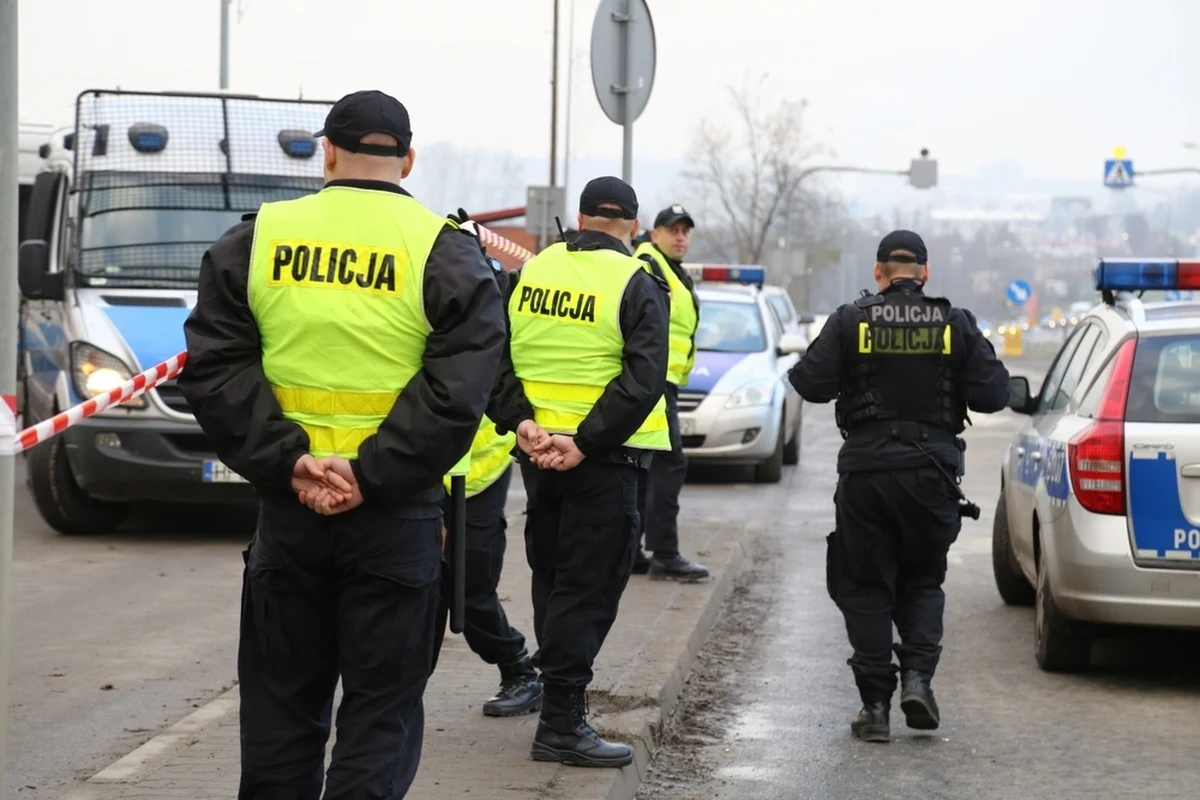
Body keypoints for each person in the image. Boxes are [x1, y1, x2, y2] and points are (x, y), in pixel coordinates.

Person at [177, 89, 506, 799]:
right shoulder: (445, 252)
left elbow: (214, 369)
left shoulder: (255, 238)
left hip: (290, 515)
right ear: (409, 158)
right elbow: (460, 394)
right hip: (396, 521)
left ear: (325, 151)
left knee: (280, 714)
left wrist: (289, 460)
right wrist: (370, 474)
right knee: (380, 716)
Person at [787, 230, 1009, 744]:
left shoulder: (850, 320)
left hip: (865, 473)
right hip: (931, 474)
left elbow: (807, 383)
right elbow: (994, 395)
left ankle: (874, 707)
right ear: (925, 273)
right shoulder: (954, 322)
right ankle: (918, 681)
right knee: (922, 581)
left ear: (879, 272)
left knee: (865, 588)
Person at [487, 175, 671, 768]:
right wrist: (585, 443)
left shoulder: (532, 272)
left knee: (554, 577)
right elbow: (643, 382)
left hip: (539, 458)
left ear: (581, 218)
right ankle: (562, 725)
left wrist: (521, 424)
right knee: (587, 590)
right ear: (634, 228)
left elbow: (493, 354)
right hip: (602, 462)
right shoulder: (637, 282)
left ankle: (557, 704)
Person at [632, 204, 709, 581]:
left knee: (647, 467)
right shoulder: (648, 263)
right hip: (655, 383)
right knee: (669, 464)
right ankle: (664, 552)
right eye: (672, 230)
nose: (680, 237)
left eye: (685, 231)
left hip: (661, 382)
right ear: (654, 232)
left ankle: (632, 551)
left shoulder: (667, 268)